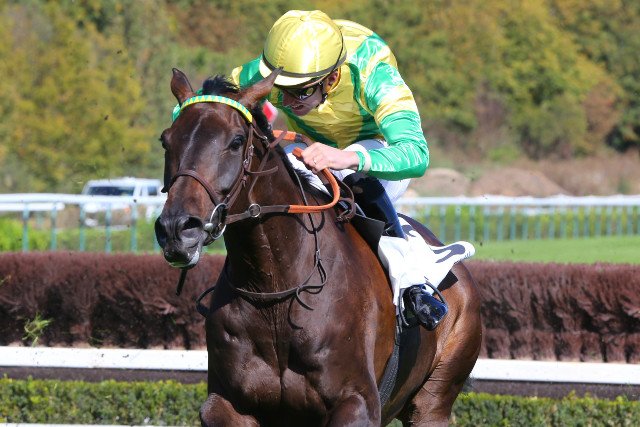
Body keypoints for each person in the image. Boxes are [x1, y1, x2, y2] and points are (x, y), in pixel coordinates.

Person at [230, 10, 448, 330]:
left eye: (300, 91)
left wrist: (348, 158)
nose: (286, 101)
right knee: (265, 172)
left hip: (375, 153)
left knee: (350, 176)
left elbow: (417, 154)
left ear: (331, 79)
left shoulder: (375, 73)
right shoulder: (268, 69)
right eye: (282, 89)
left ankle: (412, 284)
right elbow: (199, 105)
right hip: (310, 146)